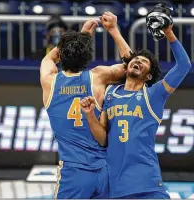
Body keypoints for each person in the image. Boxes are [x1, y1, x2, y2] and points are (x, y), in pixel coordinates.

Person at [80, 4, 191, 199]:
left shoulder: (154, 94)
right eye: (135, 59)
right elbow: (104, 139)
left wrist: (168, 33)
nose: (138, 61)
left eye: (144, 62)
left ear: (148, 76)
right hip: (115, 186)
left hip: (147, 184)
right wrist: (90, 116)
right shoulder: (111, 93)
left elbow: (184, 66)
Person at [40, 12, 131, 199]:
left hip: (74, 173)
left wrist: (82, 37)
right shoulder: (97, 76)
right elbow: (131, 65)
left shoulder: (50, 81)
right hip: (105, 170)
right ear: (88, 56)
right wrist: (113, 30)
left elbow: (50, 58)